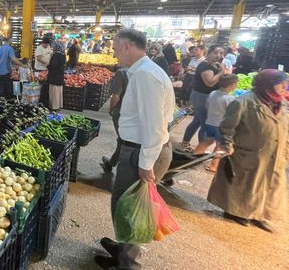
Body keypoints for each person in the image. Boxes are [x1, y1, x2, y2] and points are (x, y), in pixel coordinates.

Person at [95, 29, 174, 270]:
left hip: (142, 151)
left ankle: (128, 264)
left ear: (128, 46)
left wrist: (145, 163)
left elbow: (155, 124)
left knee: (132, 210)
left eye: (116, 49)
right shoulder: (143, 72)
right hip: (139, 149)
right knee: (125, 204)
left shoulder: (145, 76)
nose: (114, 54)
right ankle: (123, 251)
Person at [207, 69, 288, 233]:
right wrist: (228, 145)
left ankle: (259, 215)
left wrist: (285, 150)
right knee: (246, 186)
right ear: (267, 85)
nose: (283, 88)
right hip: (248, 154)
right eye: (280, 84)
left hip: (273, 155)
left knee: (268, 186)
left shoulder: (280, 104)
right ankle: (237, 212)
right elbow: (227, 127)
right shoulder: (244, 102)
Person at [180, 45, 227, 152]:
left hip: (206, 97)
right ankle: (200, 150)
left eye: (221, 53)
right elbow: (209, 83)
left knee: (197, 121)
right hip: (201, 97)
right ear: (208, 52)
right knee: (205, 124)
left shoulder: (215, 65)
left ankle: (185, 143)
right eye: (216, 53)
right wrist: (221, 73)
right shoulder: (205, 66)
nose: (218, 55)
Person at [193, 74, 239, 172]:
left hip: (210, 122)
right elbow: (231, 114)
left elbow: (207, 106)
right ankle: (214, 166)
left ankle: (194, 158)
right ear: (232, 85)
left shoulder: (213, 93)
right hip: (220, 125)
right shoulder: (229, 98)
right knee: (220, 146)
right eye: (236, 84)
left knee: (207, 141)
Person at [100, 68, 129, 173]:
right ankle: (112, 162)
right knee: (123, 140)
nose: (115, 55)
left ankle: (113, 163)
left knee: (123, 140)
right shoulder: (143, 71)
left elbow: (116, 96)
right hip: (133, 114)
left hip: (122, 112)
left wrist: (111, 108)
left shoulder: (122, 73)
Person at [46, 42, 66, 112]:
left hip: (54, 76)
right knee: (59, 91)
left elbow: (53, 65)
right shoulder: (63, 55)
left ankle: (54, 106)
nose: (53, 47)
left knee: (54, 92)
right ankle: (59, 105)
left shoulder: (56, 54)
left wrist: (48, 66)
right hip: (60, 76)